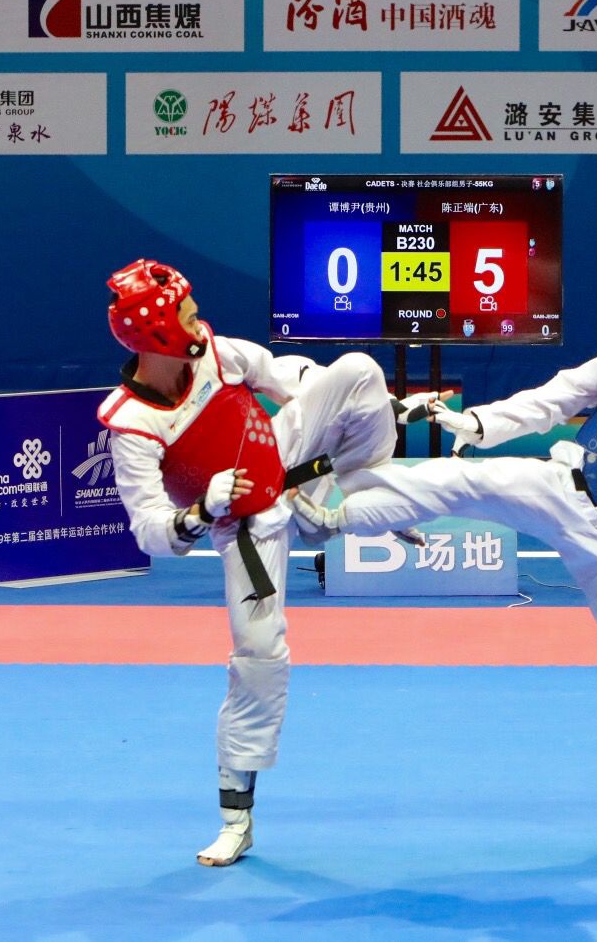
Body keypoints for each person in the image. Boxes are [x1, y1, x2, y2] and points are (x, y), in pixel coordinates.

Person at [290, 253, 597, 851]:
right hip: (562, 485)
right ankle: (331, 518)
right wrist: (478, 424)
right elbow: (558, 395)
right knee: (457, 480)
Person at [97, 259, 435, 868]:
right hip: (243, 526)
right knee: (259, 655)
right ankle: (237, 819)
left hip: (285, 462)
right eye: (186, 313)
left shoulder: (218, 352)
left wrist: (380, 409)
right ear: (158, 333)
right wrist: (202, 510)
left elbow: (290, 376)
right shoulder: (132, 423)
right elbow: (150, 532)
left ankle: (362, 501)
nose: (198, 318)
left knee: (357, 372)